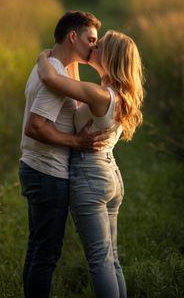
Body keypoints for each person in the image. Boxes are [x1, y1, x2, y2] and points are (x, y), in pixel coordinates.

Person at [37, 30, 145, 298]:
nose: (93, 48)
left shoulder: (100, 95)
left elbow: (50, 77)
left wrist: (43, 55)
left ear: (109, 57)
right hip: (111, 175)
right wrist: (79, 59)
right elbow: (73, 83)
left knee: (99, 262)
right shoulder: (119, 95)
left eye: (100, 47)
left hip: (90, 176)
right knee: (111, 259)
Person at [19, 11, 112, 298]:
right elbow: (35, 126)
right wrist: (75, 142)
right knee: (46, 255)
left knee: (37, 248)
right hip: (48, 173)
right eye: (91, 40)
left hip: (36, 167)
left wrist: (45, 56)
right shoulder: (55, 74)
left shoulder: (52, 66)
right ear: (73, 37)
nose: (94, 48)